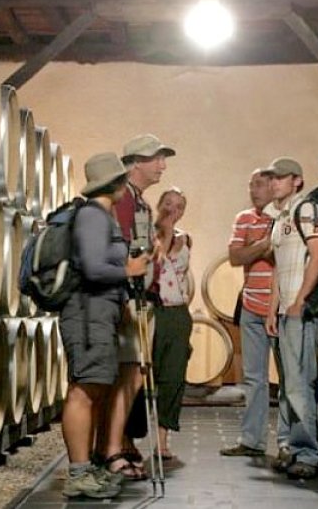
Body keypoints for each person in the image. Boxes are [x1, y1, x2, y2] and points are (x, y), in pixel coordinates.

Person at [59, 152, 151, 499]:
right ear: (114, 183)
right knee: (84, 391)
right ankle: (78, 473)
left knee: (95, 388)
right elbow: (93, 267)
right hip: (86, 314)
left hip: (100, 313)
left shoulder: (101, 216)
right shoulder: (93, 217)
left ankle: (89, 468)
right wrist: (129, 270)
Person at [98, 133, 176, 480]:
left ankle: (120, 442)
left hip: (140, 297)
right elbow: (121, 248)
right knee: (127, 376)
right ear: (134, 164)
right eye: (156, 158)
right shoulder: (126, 201)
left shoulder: (140, 201)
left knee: (133, 376)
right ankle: (111, 449)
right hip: (129, 299)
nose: (162, 165)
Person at [263, 156, 318, 479]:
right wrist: (272, 307)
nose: (274, 183)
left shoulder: (308, 210)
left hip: (302, 310)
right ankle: (288, 445)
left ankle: (309, 452)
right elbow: (278, 266)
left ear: (297, 181)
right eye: (271, 178)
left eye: (280, 178)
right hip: (285, 310)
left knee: (302, 381)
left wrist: (299, 300)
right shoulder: (280, 217)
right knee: (289, 382)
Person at [220, 169, 290, 460]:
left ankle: (287, 443)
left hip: (282, 307)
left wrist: (262, 247)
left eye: (259, 184)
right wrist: (265, 244)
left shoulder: (287, 217)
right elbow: (236, 257)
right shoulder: (244, 218)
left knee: (289, 379)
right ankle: (252, 440)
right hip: (251, 306)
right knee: (254, 378)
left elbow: (283, 256)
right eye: (251, 185)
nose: (254, 190)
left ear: (274, 185)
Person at [150, 187, 194, 460]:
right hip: (154, 312)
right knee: (145, 375)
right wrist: (164, 231)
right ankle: (128, 439)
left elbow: (184, 273)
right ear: (159, 205)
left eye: (178, 206)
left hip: (178, 314)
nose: (172, 211)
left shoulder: (187, 238)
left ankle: (163, 440)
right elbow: (156, 262)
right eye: (168, 204)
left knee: (173, 377)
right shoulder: (147, 236)